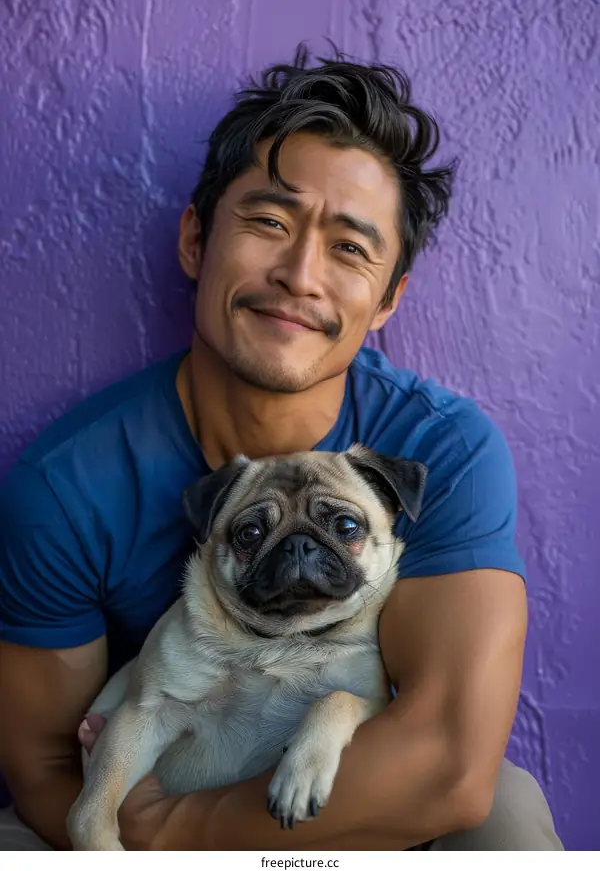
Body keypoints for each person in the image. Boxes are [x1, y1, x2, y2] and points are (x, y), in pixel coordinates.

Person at [0, 45, 563, 851]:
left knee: (502, 814)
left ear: (387, 301)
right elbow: (47, 763)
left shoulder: (443, 449)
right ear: (196, 240)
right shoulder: (66, 485)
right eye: (269, 221)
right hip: (139, 795)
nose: (301, 273)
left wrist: (185, 835)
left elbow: (448, 763)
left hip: (324, 802)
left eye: (350, 248)